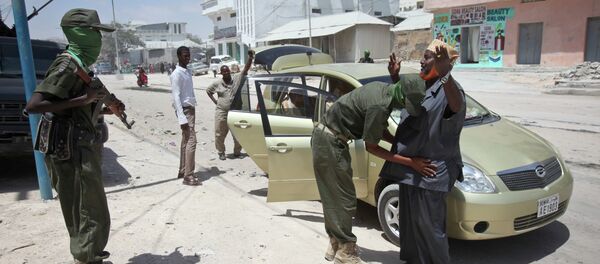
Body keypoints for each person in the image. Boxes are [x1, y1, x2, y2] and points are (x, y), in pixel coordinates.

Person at [24, 8, 122, 264]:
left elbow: (73, 105)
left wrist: (102, 107)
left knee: (89, 207)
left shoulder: (81, 65)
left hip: (77, 144)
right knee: (87, 208)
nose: (99, 40)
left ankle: (89, 256)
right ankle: (87, 258)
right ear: (80, 33)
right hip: (69, 147)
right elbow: (33, 105)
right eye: (95, 33)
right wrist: (86, 98)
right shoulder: (68, 63)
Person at [311, 59, 428, 263]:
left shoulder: (382, 89)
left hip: (324, 138)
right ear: (402, 97)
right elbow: (371, 146)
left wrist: (396, 142)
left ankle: (335, 243)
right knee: (346, 199)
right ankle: (346, 252)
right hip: (331, 143)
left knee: (332, 197)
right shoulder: (380, 107)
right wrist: (410, 162)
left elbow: (375, 128)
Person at [380, 39, 466, 264]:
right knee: (411, 228)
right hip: (410, 171)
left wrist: (446, 75)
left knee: (430, 231)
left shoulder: (449, 91)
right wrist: (395, 78)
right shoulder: (423, 85)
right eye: (424, 56)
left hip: (431, 173)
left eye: (428, 57)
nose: (421, 60)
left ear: (443, 64)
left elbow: (456, 106)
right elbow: (410, 106)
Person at [207, 51, 254, 160]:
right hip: (221, 112)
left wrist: (250, 58)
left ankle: (237, 152)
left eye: (228, 71)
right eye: (224, 72)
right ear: (221, 73)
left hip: (235, 111)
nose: (227, 73)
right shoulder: (217, 83)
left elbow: (245, 70)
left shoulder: (236, 78)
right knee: (219, 133)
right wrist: (216, 102)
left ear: (230, 71)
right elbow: (208, 91)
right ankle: (221, 152)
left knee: (238, 133)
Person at [171, 46, 201, 186]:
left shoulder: (187, 71)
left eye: (188, 55)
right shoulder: (176, 74)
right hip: (185, 110)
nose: (187, 58)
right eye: (184, 55)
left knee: (185, 140)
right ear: (178, 56)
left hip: (190, 108)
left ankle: (183, 170)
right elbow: (176, 97)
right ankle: (188, 176)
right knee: (191, 141)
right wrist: (182, 118)